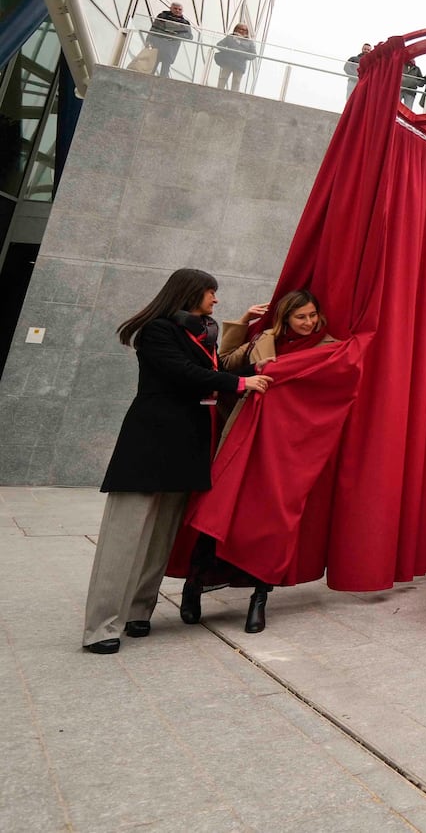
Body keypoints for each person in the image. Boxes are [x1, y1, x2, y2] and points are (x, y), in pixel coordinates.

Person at [81, 269, 272, 653]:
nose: (215, 300)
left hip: (187, 448)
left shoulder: (199, 333)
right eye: (210, 293)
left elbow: (215, 368)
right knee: (125, 539)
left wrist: (260, 365)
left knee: (160, 539)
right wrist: (238, 384)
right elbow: (183, 373)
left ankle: (138, 612)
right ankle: (101, 627)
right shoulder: (158, 331)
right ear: (189, 292)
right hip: (149, 445)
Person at [176, 290, 337, 634]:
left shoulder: (329, 348)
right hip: (243, 436)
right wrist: (244, 322)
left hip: (288, 446)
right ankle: (195, 584)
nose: (309, 322)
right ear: (284, 319)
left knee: (270, 520)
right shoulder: (265, 339)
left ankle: (259, 598)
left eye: (312, 315)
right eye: (301, 317)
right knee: (217, 511)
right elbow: (225, 363)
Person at [149, 2, 194, 78]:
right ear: (170, 8)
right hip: (158, 44)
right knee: (152, 65)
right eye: (175, 8)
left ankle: (161, 84)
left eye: (180, 9)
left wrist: (175, 34)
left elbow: (189, 36)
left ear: (182, 11)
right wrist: (149, 41)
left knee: (165, 69)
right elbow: (153, 29)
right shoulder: (162, 16)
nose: (177, 10)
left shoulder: (185, 22)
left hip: (171, 48)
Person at [212, 23, 257, 92]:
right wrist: (227, 51)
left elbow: (253, 55)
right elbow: (219, 45)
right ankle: (218, 91)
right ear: (237, 29)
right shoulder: (230, 37)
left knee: (237, 81)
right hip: (228, 62)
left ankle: (234, 95)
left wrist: (243, 55)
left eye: (245, 30)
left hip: (240, 64)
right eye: (241, 29)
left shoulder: (249, 42)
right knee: (223, 77)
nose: (243, 31)